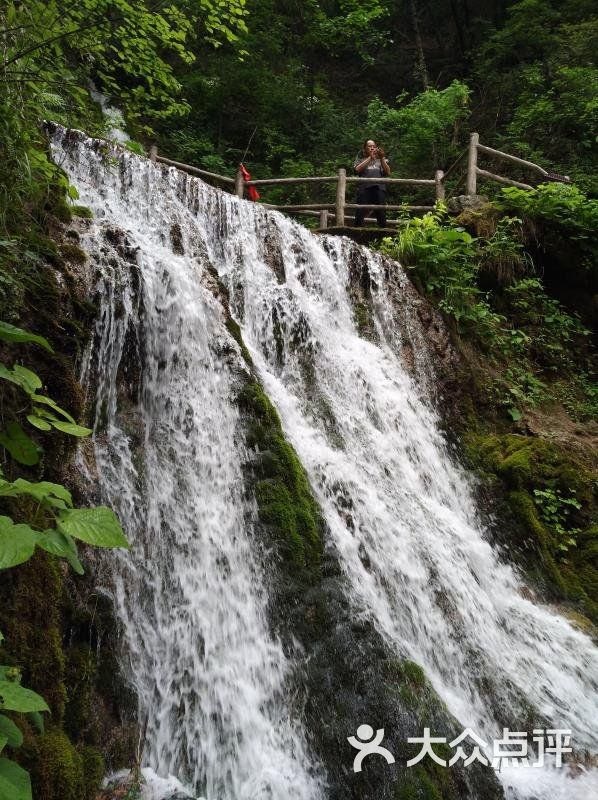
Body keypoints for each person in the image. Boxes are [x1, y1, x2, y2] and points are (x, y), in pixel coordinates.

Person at [353, 139, 391, 227]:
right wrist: (370, 157)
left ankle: (383, 233)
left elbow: (388, 172)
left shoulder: (382, 160)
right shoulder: (360, 160)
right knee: (360, 211)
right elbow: (357, 170)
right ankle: (357, 231)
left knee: (381, 212)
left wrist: (381, 158)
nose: (372, 148)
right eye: (370, 146)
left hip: (379, 188)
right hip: (364, 187)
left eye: (374, 146)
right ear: (364, 149)